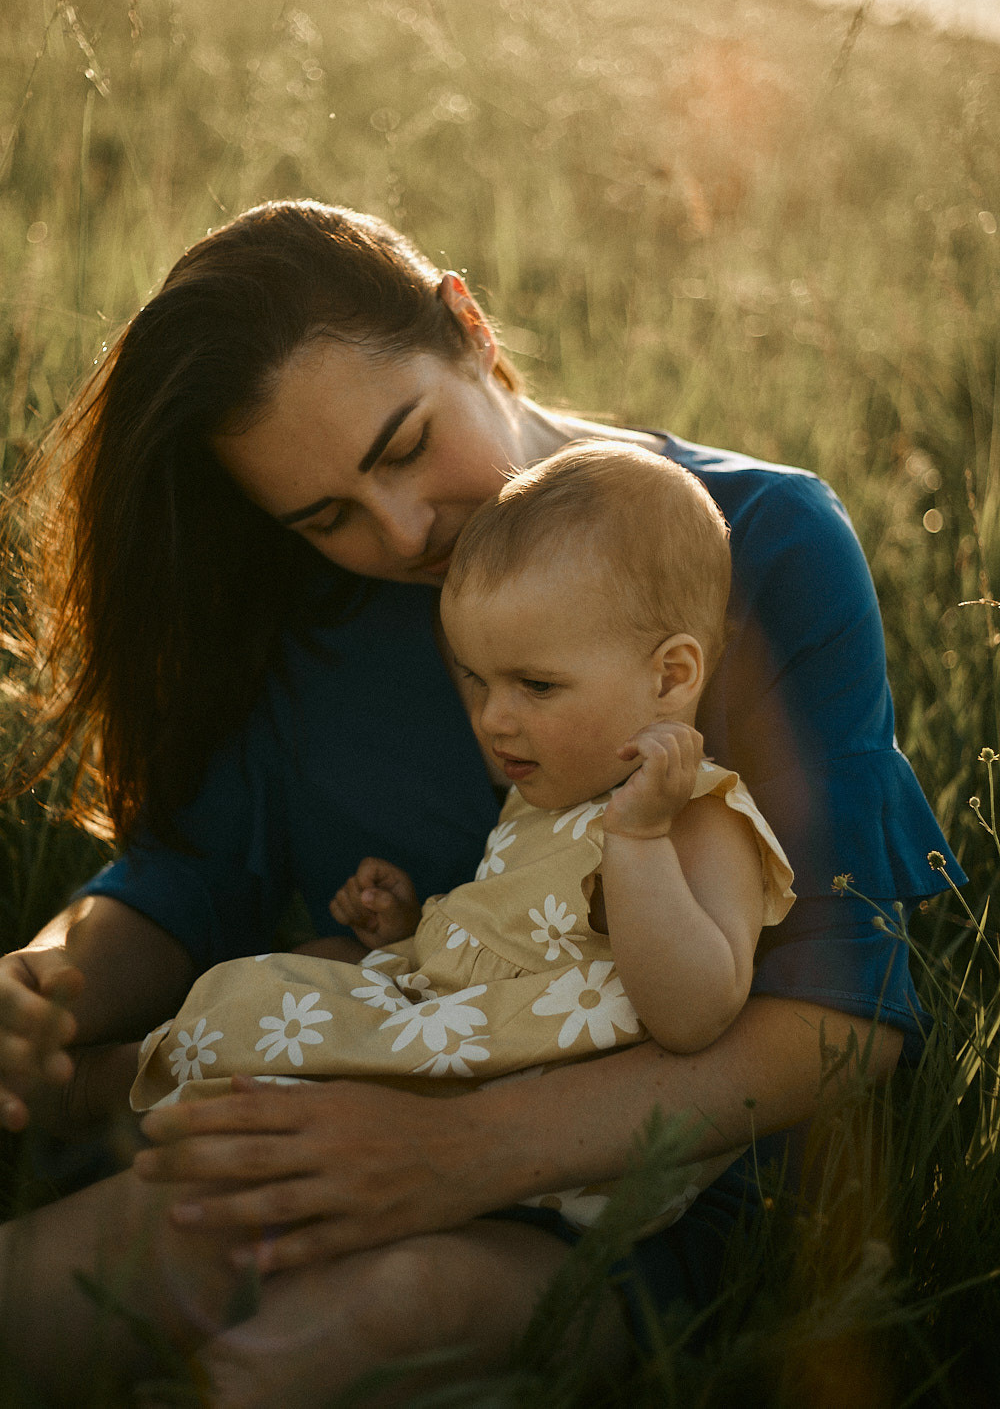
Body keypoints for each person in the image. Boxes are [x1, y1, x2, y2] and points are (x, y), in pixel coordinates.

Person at [0, 199, 957, 1402]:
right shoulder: (298, 603)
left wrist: (451, 1157)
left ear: (468, 326)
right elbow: (185, 880)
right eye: (327, 516)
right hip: (358, 1103)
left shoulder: (756, 543)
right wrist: (53, 979)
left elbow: (844, 1024)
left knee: (345, 1331)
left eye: (405, 446)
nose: (401, 532)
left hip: (656, 1189)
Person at [131, 441, 797, 1249]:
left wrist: (643, 838)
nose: (493, 718)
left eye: (535, 686)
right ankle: (152, 1113)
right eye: (478, 681)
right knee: (289, 977)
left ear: (669, 677)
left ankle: (112, 1103)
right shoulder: (543, 797)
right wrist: (416, 929)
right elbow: (516, 945)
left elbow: (695, 1014)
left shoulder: (699, 812)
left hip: (558, 1127)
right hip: (476, 1050)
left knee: (282, 1015)